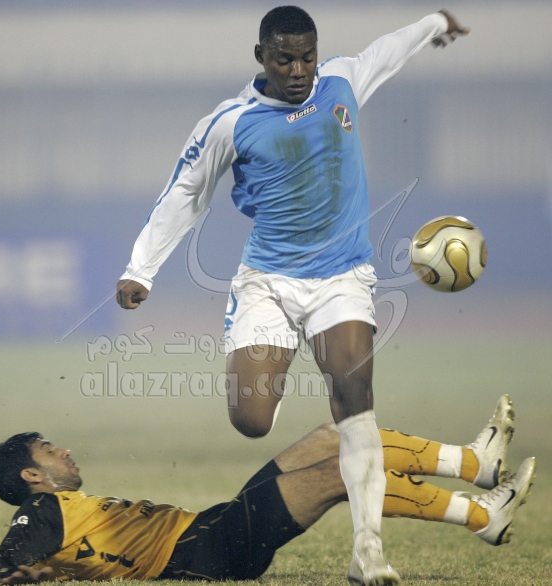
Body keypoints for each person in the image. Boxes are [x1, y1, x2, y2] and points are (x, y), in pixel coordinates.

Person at [115, 6, 470, 585]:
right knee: (251, 420)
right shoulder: (231, 122)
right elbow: (185, 191)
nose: (299, 70)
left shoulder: (341, 82)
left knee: (355, 400)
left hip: (342, 278)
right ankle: (272, 377)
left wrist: (433, 23)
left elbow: (387, 50)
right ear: (261, 57)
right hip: (268, 283)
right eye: (285, 59)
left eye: (307, 57)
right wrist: (141, 269)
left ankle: (367, 551)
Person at [0, 396, 535, 584]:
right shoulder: (41, 509)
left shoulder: (61, 507)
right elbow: (2, 566)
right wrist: (28, 572)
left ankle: (475, 465)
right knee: (339, 470)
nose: (63, 451)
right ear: (31, 475)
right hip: (204, 551)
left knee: (332, 437)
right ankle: (481, 516)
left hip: (211, 527)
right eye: (48, 450)